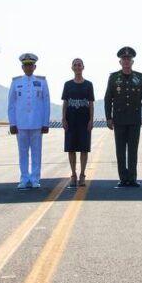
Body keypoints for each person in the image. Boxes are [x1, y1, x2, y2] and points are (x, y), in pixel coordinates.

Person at [104, 46, 142, 188]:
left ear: (132, 61)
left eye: (128, 59)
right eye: (124, 59)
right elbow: (108, 99)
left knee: (132, 150)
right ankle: (123, 178)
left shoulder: (139, 77)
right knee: (120, 150)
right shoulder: (113, 77)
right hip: (119, 119)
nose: (126, 61)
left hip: (134, 119)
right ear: (120, 62)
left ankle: (132, 178)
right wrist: (108, 118)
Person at [8, 53, 51, 190]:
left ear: (35, 66)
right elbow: (12, 105)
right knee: (22, 152)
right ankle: (24, 178)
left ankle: (35, 178)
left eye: (30, 65)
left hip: (37, 123)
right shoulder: (16, 82)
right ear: (22, 67)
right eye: (26, 65)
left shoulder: (42, 81)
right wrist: (12, 123)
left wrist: (45, 123)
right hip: (20, 123)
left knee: (36, 152)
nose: (28, 67)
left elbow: (46, 103)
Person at [61, 58, 95, 188]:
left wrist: (91, 120)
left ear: (83, 67)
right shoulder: (68, 84)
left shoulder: (88, 85)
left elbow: (91, 104)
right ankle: (73, 175)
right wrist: (63, 119)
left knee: (84, 149)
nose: (77, 67)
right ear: (72, 68)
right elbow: (65, 102)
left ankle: (82, 175)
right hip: (71, 120)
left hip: (84, 120)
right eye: (75, 65)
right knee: (71, 148)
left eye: (79, 65)